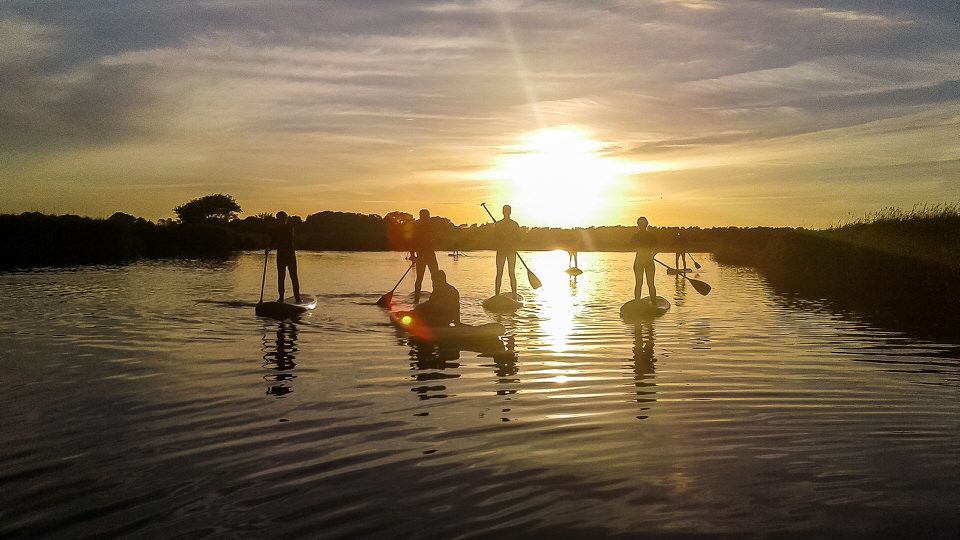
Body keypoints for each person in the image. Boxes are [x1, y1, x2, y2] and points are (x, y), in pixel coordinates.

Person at [267, 211, 301, 303]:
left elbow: (291, 238)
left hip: (289, 254)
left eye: (282, 219)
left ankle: (297, 297)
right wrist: (269, 249)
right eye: (280, 219)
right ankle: (281, 298)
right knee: (281, 277)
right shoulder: (277, 229)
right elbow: (273, 241)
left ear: (285, 219)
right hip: (282, 254)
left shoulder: (289, 228)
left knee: (293, 276)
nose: (281, 220)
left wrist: (271, 245)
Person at [410, 209, 439, 304]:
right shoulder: (417, 228)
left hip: (430, 255)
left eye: (427, 216)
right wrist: (413, 255)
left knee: (435, 277)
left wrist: (434, 238)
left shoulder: (432, 228)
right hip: (421, 256)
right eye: (424, 216)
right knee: (419, 278)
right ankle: (416, 300)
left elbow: (437, 240)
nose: (427, 218)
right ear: (421, 217)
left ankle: (436, 298)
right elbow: (413, 243)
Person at [494, 204, 521, 297]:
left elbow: (519, 238)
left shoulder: (514, 224)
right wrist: (499, 234)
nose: (505, 212)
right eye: (505, 211)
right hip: (501, 250)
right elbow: (494, 238)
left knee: (511, 273)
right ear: (503, 212)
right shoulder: (498, 224)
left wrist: (511, 239)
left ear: (509, 212)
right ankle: (496, 295)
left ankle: (514, 294)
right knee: (499, 273)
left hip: (511, 251)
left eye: (507, 211)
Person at [632, 216, 658, 301]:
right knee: (641, 283)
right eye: (640, 224)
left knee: (647, 283)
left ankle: (652, 303)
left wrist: (651, 256)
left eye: (642, 224)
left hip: (646, 262)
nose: (641, 226)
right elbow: (656, 249)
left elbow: (657, 248)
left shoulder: (649, 236)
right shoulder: (636, 236)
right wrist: (651, 255)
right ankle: (638, 303)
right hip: (642, 261)